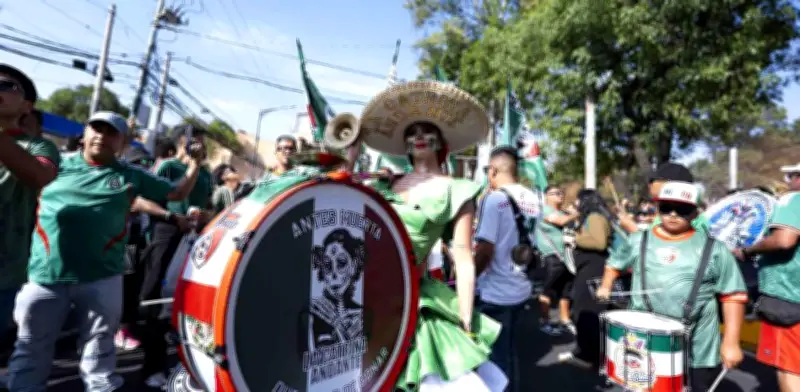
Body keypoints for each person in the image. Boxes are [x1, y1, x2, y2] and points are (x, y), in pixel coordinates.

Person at [6, 111, 204, 392]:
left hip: (102, 278)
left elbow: (176, 193)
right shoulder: (54, 165)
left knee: (99, 353)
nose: (101, 135)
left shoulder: (130, 175)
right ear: (84, 135)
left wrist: (195, 164)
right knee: (30, 348)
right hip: (46, 276)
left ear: (123, 143)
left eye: (111, 132)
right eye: (96, 128)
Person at [362, 81, 507, 391]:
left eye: (427, 130)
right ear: (404, 143)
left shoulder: (457, 190)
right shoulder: (383, 185)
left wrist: (465, 316)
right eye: (412, 132)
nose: (419, 136)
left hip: (415, 301)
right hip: (364, 295)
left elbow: (465, 259)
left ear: (441, 140)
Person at [598, 181, 746, 391]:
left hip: (698, 343)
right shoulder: (638, 240)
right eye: (666, 208)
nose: (673, 214)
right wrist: (606, 285)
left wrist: (731, 343)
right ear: (658, 210)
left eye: (683, 209)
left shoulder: (715, 249)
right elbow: (614, 263)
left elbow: (733, 296)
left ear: (696, 213)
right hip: (645, 337)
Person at [137, 124, 213, 387]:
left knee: (185, 302)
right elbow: (143, 199)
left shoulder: (205, 175)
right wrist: (171, 216)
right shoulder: (169, 167)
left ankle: (184, 364)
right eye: (195, 143)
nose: (200, 148)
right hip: (165, 235)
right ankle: (152, 367)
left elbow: (211, 206)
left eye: (203, 144)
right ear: (182, 142)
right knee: (155, 301)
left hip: (194, 239)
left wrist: (207, 217)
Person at [0, 64, 60, 386]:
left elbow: (40, 176)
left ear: (27, 107)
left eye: (6, 86)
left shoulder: (39, 147)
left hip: (5, 273)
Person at [473, 146, 543, 391]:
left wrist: (468, 277)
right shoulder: (533, 198)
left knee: (494, 359)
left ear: (492, 170)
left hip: (495, 292)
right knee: (511, 350)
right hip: (521, 286)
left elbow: (485, 250)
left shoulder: (495, 199)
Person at [733, 162, 800, 392]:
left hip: (790, 299)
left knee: (789, 368)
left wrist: (747, 250)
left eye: (792, 176)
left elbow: (784, 240)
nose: (789, 182)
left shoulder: (794, 200)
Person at [557, 189, 615, 372]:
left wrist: (574, 238)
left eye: (579, 201)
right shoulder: (595, 217)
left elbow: (598, 242)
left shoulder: (596, 217)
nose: (576, 205)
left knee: (587, 310)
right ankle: (589, 352)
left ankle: (588, 355)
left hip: (592, 269)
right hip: (589, 268)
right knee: (586, 309)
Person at [536, 185, 579, 335]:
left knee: (566, 290)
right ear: (546, 196)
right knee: (548, 290)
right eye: (555, 193)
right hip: (551, 256)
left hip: (566, 256)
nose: (560, 196)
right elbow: (560, 221)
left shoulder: (563, 212)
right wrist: (576, 213)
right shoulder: (545, 210)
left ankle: (565, 320)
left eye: (561, 193)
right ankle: (544, 321)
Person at [617, 163, 703, 233]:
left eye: (653, 180)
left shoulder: (696, 221)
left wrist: (632, 228)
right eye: (665, 207)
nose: (649, 185)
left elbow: (667, 249)